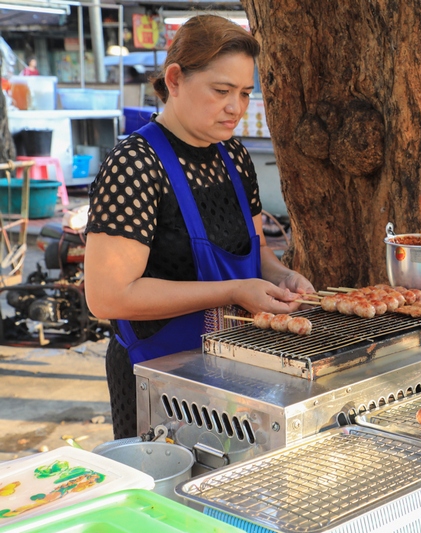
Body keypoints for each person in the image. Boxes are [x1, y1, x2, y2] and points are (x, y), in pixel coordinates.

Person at [84, 14, 315, 440]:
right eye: (221, 91)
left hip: (239, 371)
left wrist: (280, 276)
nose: (236, 107)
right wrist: (232, 291)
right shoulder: (135, 166)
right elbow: (108, 296)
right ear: (174, 79)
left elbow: (255, 250)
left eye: (245, 93)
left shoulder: (234, 156)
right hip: (159, 380)